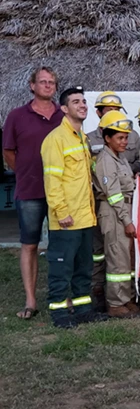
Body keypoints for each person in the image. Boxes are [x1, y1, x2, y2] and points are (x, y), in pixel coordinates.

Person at [41, 86, 107, 328]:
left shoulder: (82, 138)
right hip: (66, 219)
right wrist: (61, 212)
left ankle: (83, 311)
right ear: (64, 109)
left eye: (84, 101)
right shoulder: (55, 140)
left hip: (85, 217)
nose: (82, 105)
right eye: (76, 102)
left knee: (83, 268)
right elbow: (52, 180)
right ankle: (59, 313)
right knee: (61, 268)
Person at [2, 67, 63, 320]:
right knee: (29, 245)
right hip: (29, 191)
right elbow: (8, 152)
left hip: (61, 192)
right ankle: (30, 299)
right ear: (32, 86)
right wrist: (25, 173)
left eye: (52, 83)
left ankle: (62, 295)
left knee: (62, 244)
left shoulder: (64, 115)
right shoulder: (17, 116)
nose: (48, 86)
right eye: (43, 82)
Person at [87, 92, 140, 311]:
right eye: (119, 137)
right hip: (113, 213)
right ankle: (115, 303)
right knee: (117, 259)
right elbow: (114, 194)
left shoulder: (119, 158)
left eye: (125, 137)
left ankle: (126, 297)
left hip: (123, 211)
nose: (124, 141)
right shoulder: (105, 160)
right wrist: (127, 220)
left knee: (126, 258)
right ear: (107, 138)